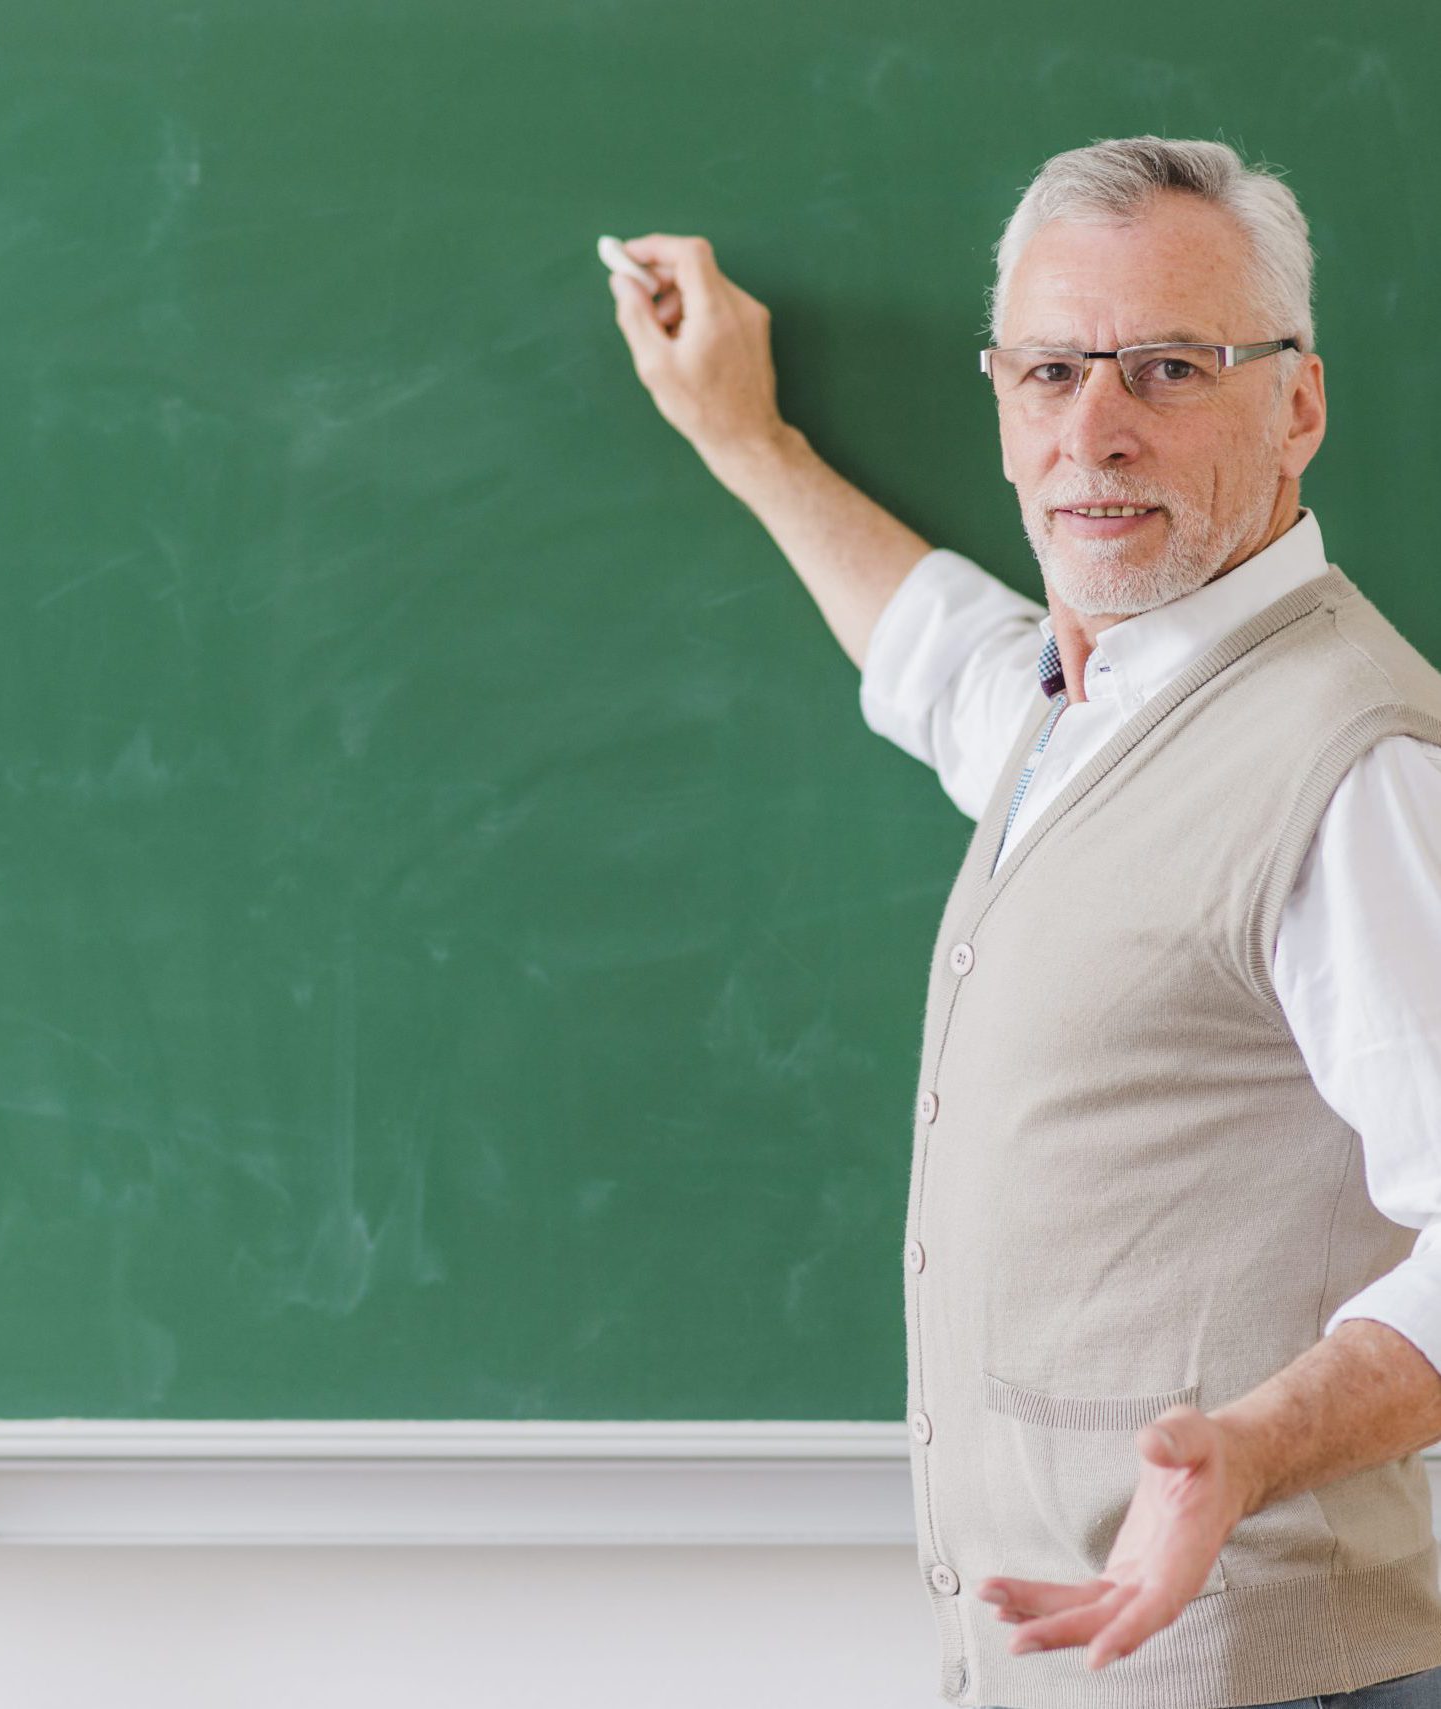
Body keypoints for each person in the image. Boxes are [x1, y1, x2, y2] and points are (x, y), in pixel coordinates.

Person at [605, 135, 1441, 1709]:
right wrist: (748, 439)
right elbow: (945, 664)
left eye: (1169, 369)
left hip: (1260, 1677)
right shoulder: (1098, 704)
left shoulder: (1356, 768)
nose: (1094, 429)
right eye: (1049, 371)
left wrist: (1250, 1446)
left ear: (1299, 407)